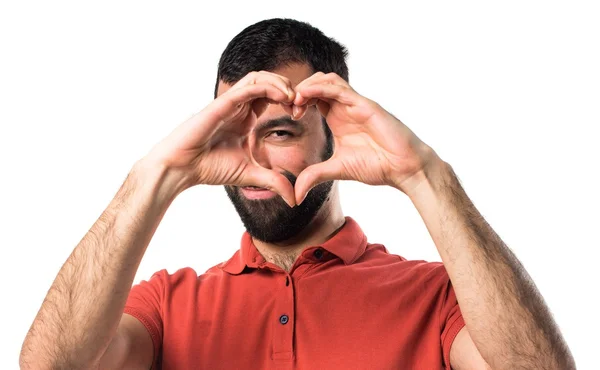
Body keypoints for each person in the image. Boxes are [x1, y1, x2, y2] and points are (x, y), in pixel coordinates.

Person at [20, 18, 575, 370]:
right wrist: (156, 174)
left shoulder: (438, 297)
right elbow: (49, 366)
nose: (252, 159)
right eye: (234, 136)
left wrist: (424, 174)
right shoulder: (165, 304)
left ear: (334, 131)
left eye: (279, 132)